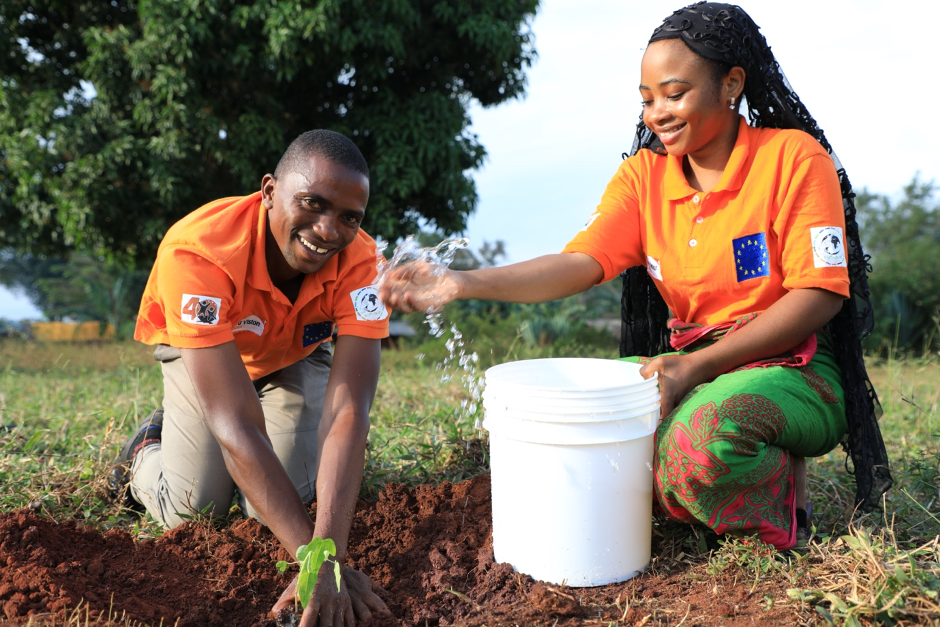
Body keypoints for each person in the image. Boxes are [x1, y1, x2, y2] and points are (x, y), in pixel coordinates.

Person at [379, 2, 891, 550]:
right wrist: (464, 282)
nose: (657, 113)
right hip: (688, 365)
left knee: (697, 447)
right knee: (583, 430)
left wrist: (696, 367)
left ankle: (780, 506)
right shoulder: (643, 177)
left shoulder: (792, 159)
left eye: (675, 94)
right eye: (647, 100)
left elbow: (819, 295)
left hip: (793, 365)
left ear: (731, 85)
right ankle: (697, 481)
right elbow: (580, 264)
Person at [113, 130, 392, 625]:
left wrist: (327, 551)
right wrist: (317, 560)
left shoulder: (365, 264)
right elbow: (235, 421)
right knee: (192, 510)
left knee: (276, 509)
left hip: (295, 355)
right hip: (207, 356)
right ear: (268, 192)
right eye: (313, 203)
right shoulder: (198, 253)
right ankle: (143, 450)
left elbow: (350, 410)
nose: (329, 230)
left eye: (349, 217)